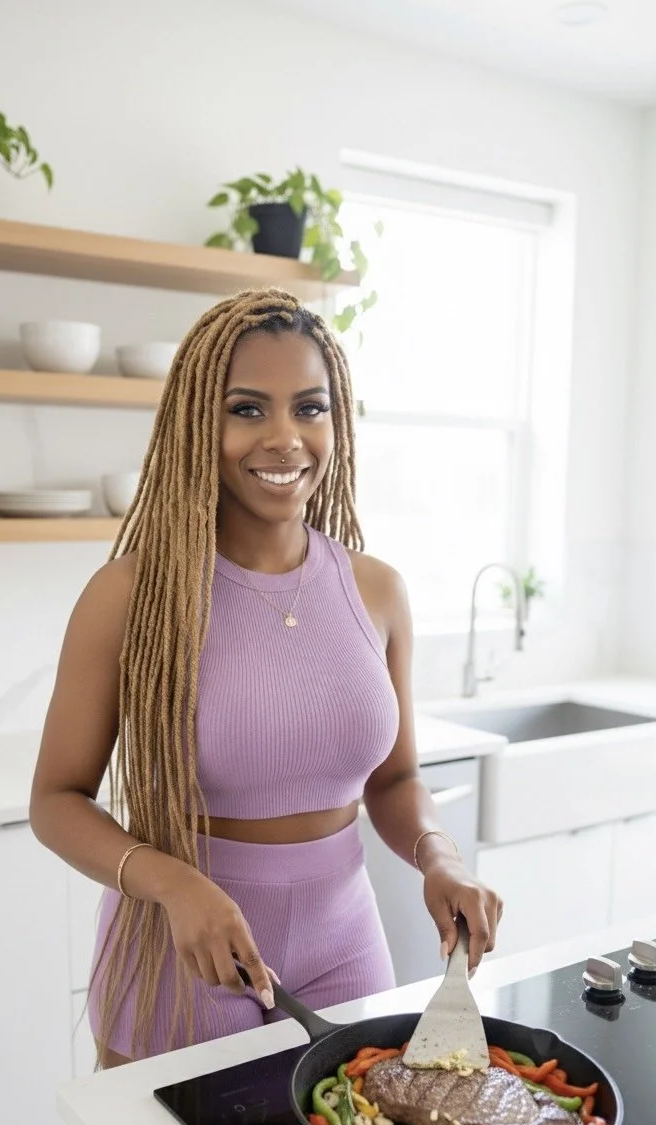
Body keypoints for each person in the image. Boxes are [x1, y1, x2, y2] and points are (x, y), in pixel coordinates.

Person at [30, 288, 503, 1069]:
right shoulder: (129, 596)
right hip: (178, 962)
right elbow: (55, 801)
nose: (285, 438)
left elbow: (396, 781)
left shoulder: (377, 590)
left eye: (309, 409)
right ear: (196, 424)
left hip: (346, 949)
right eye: (248, 409)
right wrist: (174, 886)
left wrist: (439, 857)